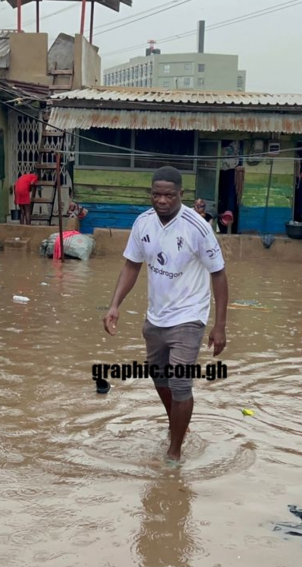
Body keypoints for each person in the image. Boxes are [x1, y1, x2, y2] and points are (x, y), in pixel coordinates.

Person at [103, 166, 229, 465]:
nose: (162, 200)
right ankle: (178, 425)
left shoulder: (197, 227)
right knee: (159, 377)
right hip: (156, 317)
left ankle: (174, 452)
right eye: (156, 194)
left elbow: (219, 275)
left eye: (169, 195)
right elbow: (132, 266)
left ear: (180, 195)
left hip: (189, 316)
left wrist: (220, 325)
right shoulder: (142, 223)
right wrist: (114, 305)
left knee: (180, 382)